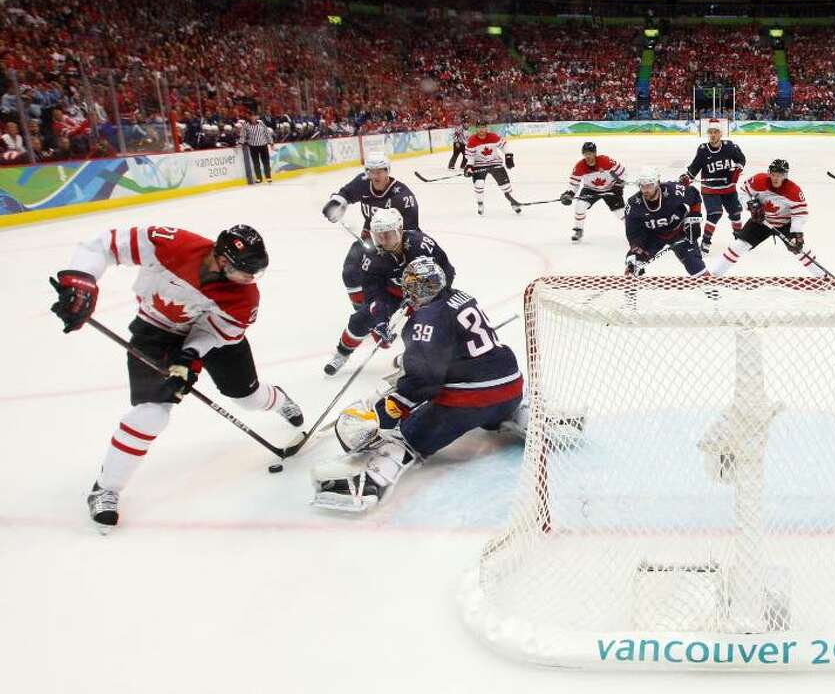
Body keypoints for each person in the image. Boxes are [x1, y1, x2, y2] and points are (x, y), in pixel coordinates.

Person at [50, 225, 304, 532]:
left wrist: (189, 357)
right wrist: (81, 280)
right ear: (222, 261)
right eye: (244, 272)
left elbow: (213, 333)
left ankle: (279, 400)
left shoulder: (245, 297)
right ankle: (106, 489)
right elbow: (101, 245)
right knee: (151, 414)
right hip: (155, 333)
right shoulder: (173, 244)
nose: (250, 280)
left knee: (248, 398)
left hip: (212, 338)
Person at [311, 258, 525, 512]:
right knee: (494, 403)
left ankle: (368, 484)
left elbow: (422, 384)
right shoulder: (461, 297)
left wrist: (384, 414)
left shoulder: (424, 319)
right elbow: (454, 345)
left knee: (407, 435)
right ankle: (525, 414)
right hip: (512, 386)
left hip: (470, 403)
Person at [323, 208, 455, 376]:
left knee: (430, 323)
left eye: (387, 234)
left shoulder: (422, 245)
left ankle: (418, 357)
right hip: (392, 294)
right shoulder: (372, 257)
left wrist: (434, 296)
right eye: (378, 234)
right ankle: (342, 353)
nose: (383, 239)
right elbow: (373, 294)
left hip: (428, 294)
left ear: (400, 230)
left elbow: (447, 270)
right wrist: (380, 321)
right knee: (361, 318)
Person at [321, 152, 420, 306]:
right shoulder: (363, 182)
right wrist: (336, 203)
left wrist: (398, 255)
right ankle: (363, 309)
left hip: (395, 244)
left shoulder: (403, 197)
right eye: (370, 171)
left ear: (387, 171)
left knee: (392, 280)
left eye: (379, 171)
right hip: (370, 238)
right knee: (351, 271)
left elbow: (411, 230)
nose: (374, 176)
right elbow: (346, 194)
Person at [709, 159, 824, 277]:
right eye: (773, 174)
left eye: (779, 175)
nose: (775, 178)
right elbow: (743, 192)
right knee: (739, 246)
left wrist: (797, 234)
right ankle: (715, 275)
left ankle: (822, 277)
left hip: (785, 224)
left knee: (800, 250)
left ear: (785, 176)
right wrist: (750, 205)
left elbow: (799, 214)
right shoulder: (759, 180)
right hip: (761, 221)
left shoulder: (793, 191)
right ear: (769, 173)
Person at [623, 168, 708, 277]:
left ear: (657, 184)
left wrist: (694, 221)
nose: (645, 190)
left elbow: (694, 196)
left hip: (680, 232)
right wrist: (635, 253)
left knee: (698, 270)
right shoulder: (633, 205)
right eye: (642, 186)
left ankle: (712, 293)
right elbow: (634, 234)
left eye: (649, 185)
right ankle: (630, 292)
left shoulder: (673, 190)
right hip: (654, 236)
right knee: (633, 268)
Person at [680, 118, 746, 253]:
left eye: (716, 132)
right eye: (711, 132)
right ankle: (705, 241)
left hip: (728, 188)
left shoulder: (730, 147)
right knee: (715, 214)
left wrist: (738, 169)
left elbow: (741, 159)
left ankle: (739, 239)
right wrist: (687, 177)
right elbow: (694, 168)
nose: (713, 135)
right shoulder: (703, 150)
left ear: (721, 134)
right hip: (710, 189)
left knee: (735, 213)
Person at [559, 141, 625, 242]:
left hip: (610, 188)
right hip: (590, 190)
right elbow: (574, 183)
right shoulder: (580, 166)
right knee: (579, 206)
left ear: (595, 153)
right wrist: (569, 193)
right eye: (585, 154)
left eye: (590, 153)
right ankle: (579, 230)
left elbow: (623, 173)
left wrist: (618, 185)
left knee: (621, 213)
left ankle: (636, 230)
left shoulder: (606, 161)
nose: (588, 156)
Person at [465, 120, 522, 215]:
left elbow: (504, 145)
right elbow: (470, 157)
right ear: (476, 128)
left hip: (495, 163)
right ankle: (480, 203)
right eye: (479, 127)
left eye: (483, 127)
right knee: (479, 184)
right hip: (479, 164)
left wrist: (508, 156)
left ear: (486, 127)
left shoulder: (493, 136)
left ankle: (513, 202)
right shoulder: (472, 140)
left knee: (505, 186)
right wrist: (469, 166)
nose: (481, 129)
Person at [239, 114, 275, 183]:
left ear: (256, 117)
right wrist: (240, 143)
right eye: (251, 116)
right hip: (253, 146)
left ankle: (268, 177)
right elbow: (243, 134)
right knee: (256, 163)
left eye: (254, 116)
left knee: (266, 162)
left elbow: (267, 133)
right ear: (249, 117)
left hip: (263, 145)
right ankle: (259, 178)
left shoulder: (261, 124)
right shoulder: (246, 125)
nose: (252, 118)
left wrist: (271, 143)